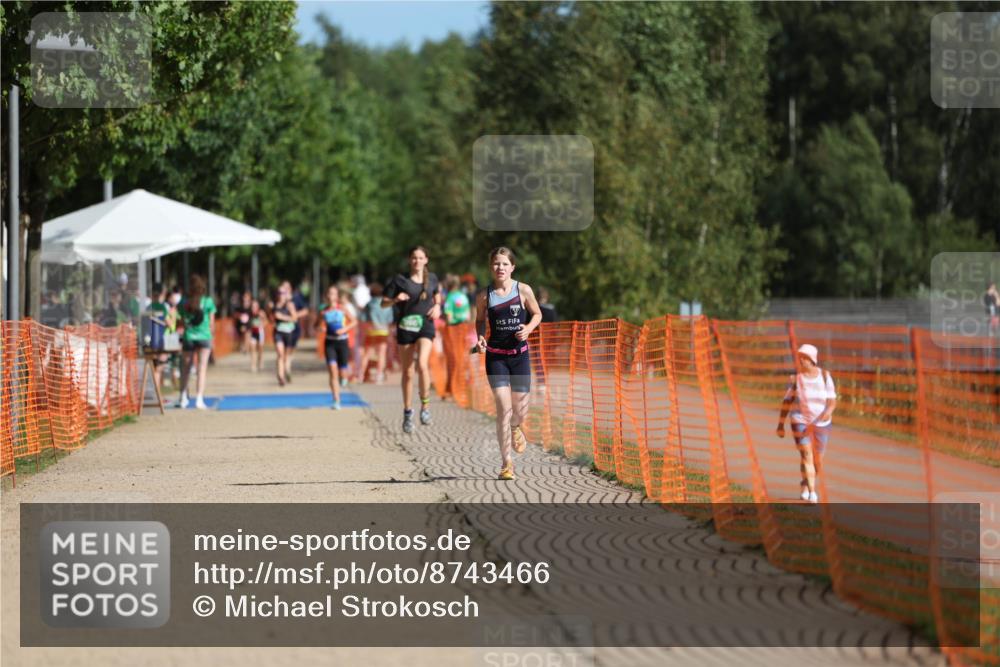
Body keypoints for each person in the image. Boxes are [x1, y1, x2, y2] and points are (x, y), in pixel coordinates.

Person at [475, 247, 543, 481]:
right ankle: (507, 463)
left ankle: (516, 427)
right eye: (496, 263)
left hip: (519, 356)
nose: (500, 268)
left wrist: (529, 328)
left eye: (505, 264)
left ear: (512, 267)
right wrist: (480, 337)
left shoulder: (523, 290)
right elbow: (479, 320)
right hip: (496, 357)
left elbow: (537, 314)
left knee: (520, 411)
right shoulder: (484, 296)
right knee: (503, 409)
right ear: (491, 267)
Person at [383, 246, 443, 433]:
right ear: (410, 260)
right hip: (406, 327)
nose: (417, 261)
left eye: (420, 257)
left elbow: (437, 295)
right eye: (414, 258)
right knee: (408, 372)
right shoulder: (399, 280)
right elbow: (383, 303)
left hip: (425, 325)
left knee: (423, 365)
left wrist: (438, 306)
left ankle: (425, 407)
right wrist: (395, 299)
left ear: (426, 260)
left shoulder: (432, 278)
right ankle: (408, 411)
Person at [776, 344, 837, 503]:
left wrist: (827, 413)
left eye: (804, 357)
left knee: (817, 461)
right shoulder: (795, 379)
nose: (801, 360)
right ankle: (812, 492)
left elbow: (832, 402)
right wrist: (780, 425)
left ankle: (805, 483)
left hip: (821, 424)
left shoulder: (825, 376)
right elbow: (787, 402)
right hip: (800, 421)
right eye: (800, 357)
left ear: (812, 360)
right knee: (806, 455)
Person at [175, 275, 216, 410]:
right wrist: (212, 336)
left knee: (185, 368)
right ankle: (199, 399)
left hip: (189, 337)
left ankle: (183, 398)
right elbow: (211, 323)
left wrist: (186, 326)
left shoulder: (184, 302)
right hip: (204, 336)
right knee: (201, 368)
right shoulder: (208, 301)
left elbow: (180, 320)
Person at [317, 285, 356, 410]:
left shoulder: (342, 309)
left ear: (336, 296)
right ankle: (336, 400)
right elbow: (316, 325)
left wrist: (344, 329)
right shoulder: (323, 311)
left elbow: (354, 321)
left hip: (342, 342)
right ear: (326, 296)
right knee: (332, 372)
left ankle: (344, 377)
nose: (330, 296)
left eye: (333, 293)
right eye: (329, 293)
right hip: (330, 343)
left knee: (342, 372)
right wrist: (320, 327)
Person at [362, 282, 394, 384]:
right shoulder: (387, 304)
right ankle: (379, 376)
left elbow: (363, 318)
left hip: (371, 330)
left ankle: (361, 374)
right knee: (381, 354)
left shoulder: (368, 304)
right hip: (383, 330)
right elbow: (390, 319)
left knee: (367, 353)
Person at [148, 283, 174, 403]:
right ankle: (157, 396)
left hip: (150, 341)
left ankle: (155, 395)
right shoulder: (163, 307)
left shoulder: (148, 307)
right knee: (159, 368)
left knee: (154, 368)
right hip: (160, 341)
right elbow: (169, 324)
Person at [271, 284, 298, 387]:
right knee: (280, 354)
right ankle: (281, 377)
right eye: (279, 293)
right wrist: (273, 318)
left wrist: (282, 317)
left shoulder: (289, 305)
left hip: (288, 332)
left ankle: (286, 371)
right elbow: (271, 317)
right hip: (278, 332)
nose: (281, 295)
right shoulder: (273, 305)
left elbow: (295, 318)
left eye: (283, 293)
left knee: (286, 356)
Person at [248, 298, 265, 373]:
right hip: (253, 333)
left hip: (260, 332)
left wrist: (262, 324)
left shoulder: (261, 313)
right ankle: (253, 365)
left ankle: (260, 360)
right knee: (252, 348)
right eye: (252, 306)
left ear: (258, 307)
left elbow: (266, 321)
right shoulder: (250, 314)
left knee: (260, 348)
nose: (254, 308)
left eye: (255, 306)